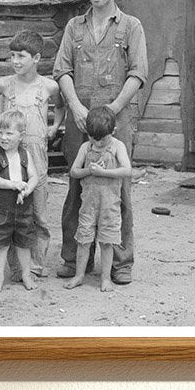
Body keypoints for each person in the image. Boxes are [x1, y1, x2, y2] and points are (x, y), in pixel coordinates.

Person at [53, 0, 148, 285]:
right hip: (80, 122)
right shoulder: (74, 28)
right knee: (77, 186)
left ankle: (121, 263)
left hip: (117, 123)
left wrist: (112, 111)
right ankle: (73, 257)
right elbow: (61, 70)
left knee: (116, 188)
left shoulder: (130, 26)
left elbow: (138, 73)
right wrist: (77, 108)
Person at [0, 30, 62, 277]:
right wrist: (0, 120)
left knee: (39, 213)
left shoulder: (48, 86)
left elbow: (61, 106)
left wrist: (54, 126)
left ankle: (35, 265)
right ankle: (15, 266)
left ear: (36, 58)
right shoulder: (5, 84)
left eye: (21, 56)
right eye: (12, 55)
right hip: (10, 157)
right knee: (11, 210)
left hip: (37, 155)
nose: (15, 61)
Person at [63, 106, 131, 292]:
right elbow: (74, 171)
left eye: (102, 139)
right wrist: (89, 170)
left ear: (113, 132)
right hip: (88, 205)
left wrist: (104, 172)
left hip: (110, 205)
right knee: (83, 240)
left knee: (107, 242)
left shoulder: (118, 146)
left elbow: (127, 170)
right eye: (93, 138)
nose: (98, 143)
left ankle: (106, 278)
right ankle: (79, 275)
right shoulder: (86, 147)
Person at [0, 109, 40, 293]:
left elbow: (34, 177)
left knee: (24, 244)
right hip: (1, 209)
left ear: (21, 136)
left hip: (23, 208)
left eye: (9, 133)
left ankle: (26, 275)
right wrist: (13, 184)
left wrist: (27, 189)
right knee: (1, 244)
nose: (3, 137)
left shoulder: (25, 155)